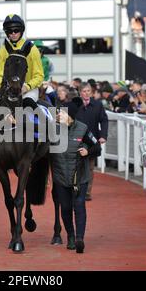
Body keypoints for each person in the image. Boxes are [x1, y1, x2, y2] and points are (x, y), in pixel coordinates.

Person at [50, 99, 101, 253]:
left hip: (80, 177)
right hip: (60, 177)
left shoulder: (83, 129)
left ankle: (79, 239)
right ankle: (70, 236)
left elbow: (97, 147)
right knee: (65, 209)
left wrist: (88, 152)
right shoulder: (52, 129)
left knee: (79, 206)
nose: (58, 115)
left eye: (61, 113)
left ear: (70, 115)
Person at [0, 14, 44, 119]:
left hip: (28, 89)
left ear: (21, 31)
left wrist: (27, 87)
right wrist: (3, 87)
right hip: (7, 89)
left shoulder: (32, 49)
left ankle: (46, 125)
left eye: (16, 30)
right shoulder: (3, 50)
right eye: (9, 31)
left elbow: (39, 75)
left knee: (27, 102)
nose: (13, 34)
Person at [75, 83, 109, 201]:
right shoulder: (74, 105)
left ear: (91, 92)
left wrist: (103, 136)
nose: (86, 93)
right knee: (76, 167)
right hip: (76, 140)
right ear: (80, 92)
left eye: (88, 91)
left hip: (92, 141)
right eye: (84, 91)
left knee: (89, 167)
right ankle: (76, 189)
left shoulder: (98, 105)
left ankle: (87, 193)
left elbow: (104, 120)